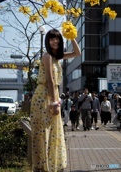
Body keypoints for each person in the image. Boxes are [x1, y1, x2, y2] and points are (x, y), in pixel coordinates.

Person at [30, 28, 81, 172]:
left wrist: (71, 36)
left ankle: (49, 164)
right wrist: (54, 103)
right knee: (43, 132)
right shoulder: (47, 56)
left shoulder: (56, 57)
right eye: (52, 38)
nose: (55, 41)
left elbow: (77, 53)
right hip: (44, 97)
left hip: (52, 95)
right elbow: (50, 81)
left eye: (57, 38)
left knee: (52, 131)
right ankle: (43, 165)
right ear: (48, 41)